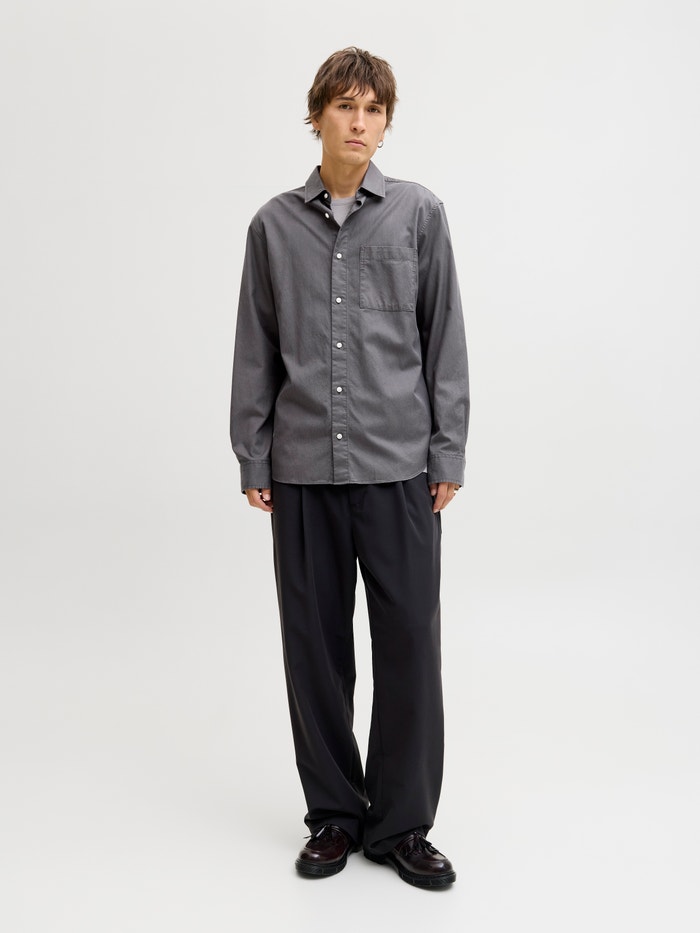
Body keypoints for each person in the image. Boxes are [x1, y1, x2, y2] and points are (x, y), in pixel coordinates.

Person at [229, 47, 469, 888]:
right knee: (315, 649)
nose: (359, 122)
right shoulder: (273, 226)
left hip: (400, 468)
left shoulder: (418, 214)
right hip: (302, 469)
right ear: (318, 116)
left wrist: (447, 449)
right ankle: (334, 813)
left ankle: (401, 824)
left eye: (373, 109)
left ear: (386, 122)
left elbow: (444, 337)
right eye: (344, 106)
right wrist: (253, 449)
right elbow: (256, 346)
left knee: (409, 647)